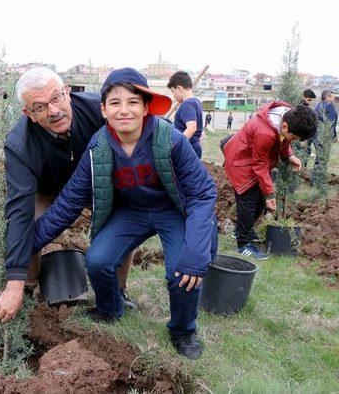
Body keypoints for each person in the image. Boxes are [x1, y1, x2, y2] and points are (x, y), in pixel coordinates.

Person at [31, 67, 217, 359]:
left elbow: (203, 192)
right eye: (115, 103)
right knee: (97, 260)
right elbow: (68, 203)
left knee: (182, 270)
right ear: (103, 110)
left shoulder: (171, 139)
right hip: (132, 212)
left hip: (172, 211)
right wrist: (29, 242)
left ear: (145, 107)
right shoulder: (98, 148)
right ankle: (110, 309)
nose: (124, 110)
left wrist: (197, 252)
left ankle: (183, 330)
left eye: (133, 102)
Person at [0, 67, 136, 325]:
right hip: (48, 190)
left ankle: (117, 289)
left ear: (67, 93)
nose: (53, 110)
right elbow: (19, 210)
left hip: (99, 185)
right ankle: (30, 285)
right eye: (40, 107)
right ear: (29, 114)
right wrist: (13, 282)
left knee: (123, 217)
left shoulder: (100, 111)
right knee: (29, 223)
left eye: (57, 98)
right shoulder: (19, 145)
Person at [222, 103, 317, 260]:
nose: (293, 140)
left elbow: (283, 141)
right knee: (249, 203)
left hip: (256, 164)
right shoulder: (264, 132)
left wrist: (288, 156)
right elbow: (259, 166)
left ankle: (241, 230)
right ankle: (243, 244)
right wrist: (270, 195)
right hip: (241, 164)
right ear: (285, 126)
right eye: (294, 137)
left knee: (259, 202)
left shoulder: (285, 118)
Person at [167, 71, 204, 158]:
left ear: (179, 88)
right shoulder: (196, 102)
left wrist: (176, 146)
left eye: (173, 91)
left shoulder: (187, 104)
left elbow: (191, 128)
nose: (173, 96)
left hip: (188, 149)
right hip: (194, 147)